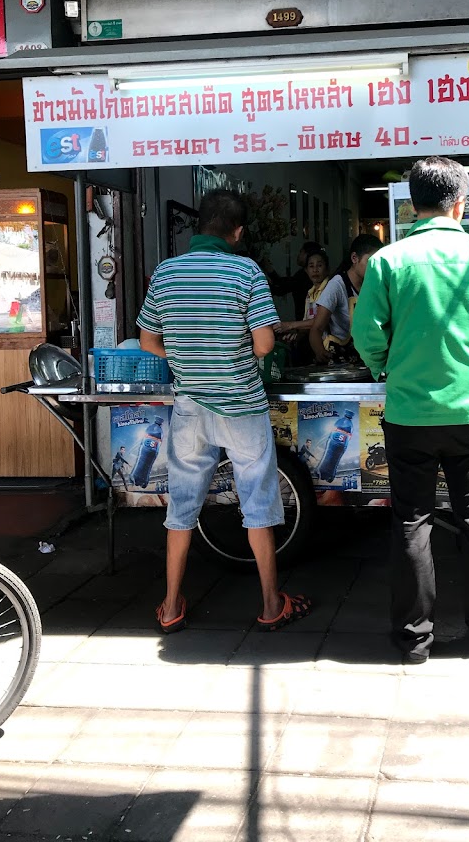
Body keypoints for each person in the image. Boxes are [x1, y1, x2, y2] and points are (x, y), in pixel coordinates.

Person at [352, 156, 469, 663]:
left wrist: (390, 365)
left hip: (408, 413)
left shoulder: (387, 260)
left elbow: (367, 335)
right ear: (460, 203)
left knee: (412, 520)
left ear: (413, 204)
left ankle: (414, 639)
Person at [137, 189, 312, 634]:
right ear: (237, 231)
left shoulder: (166, 273)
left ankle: (171, 604)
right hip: (241, 404)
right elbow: (265, 344)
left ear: (200, 227)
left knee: (182, 504)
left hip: (191, 405)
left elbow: (148, 341)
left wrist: (189, 359)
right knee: (257, 501)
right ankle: (272, 604)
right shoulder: (245, 270)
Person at [309, 234, 382, 364]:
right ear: (354, 258)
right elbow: (317, 329)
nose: (375, 267)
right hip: (341, 362)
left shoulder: (373, 285)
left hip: (366, 359)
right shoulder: (337, 285)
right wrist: (320, 353)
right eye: (370, 261)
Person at [275, 249, 330, 344]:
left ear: (327, 269)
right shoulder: (310, 294)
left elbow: (321, 321)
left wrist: (290, 325)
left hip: (331, 345)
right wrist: (295, 334)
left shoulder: (331, 289)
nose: (315, 270)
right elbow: (307, 324)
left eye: (319, 266)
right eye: (311, 266)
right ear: (306, 270)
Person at [267, 241, 321, 320]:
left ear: (307, 255)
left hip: (306, 324)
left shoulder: (304, 276)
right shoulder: (304, 275)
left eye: (301, 252)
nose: (298, 255)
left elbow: (281, 288)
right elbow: (283, 284)